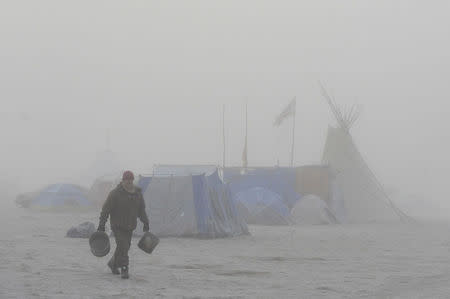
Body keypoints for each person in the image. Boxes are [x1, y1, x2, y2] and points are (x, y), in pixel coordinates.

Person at [97, 170, 149, 279]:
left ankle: (113, 264)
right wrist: (102, 224)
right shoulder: (115, 194)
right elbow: (105, 210)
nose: (129, 182)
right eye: (126, 180)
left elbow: (141, 210)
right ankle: (125, 268)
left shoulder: (138, 194)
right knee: (123, 246)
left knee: (125, 247)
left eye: (130, 180)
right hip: (117, 226)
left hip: (130, 226)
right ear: (123, 180)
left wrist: (145, 222)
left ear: (133, 180)